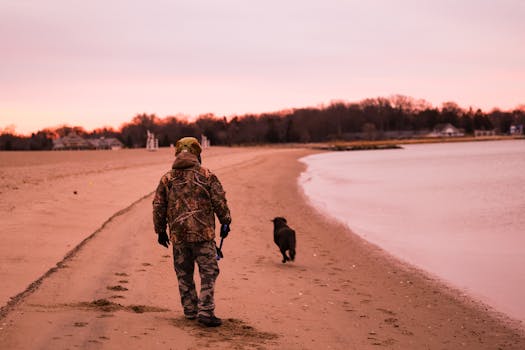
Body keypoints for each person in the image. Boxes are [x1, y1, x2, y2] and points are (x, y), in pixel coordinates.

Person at [152, 137, 231, 327]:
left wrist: (160, 231)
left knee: (184, 273)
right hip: (203, 235)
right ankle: (206, 311)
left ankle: (190, 310)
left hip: (179, 236)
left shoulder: (167, 178)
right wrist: (226, 221)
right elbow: (219, 202)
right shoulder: (207, 175)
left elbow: (158, 206)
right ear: (197, 154)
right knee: (209, 272)